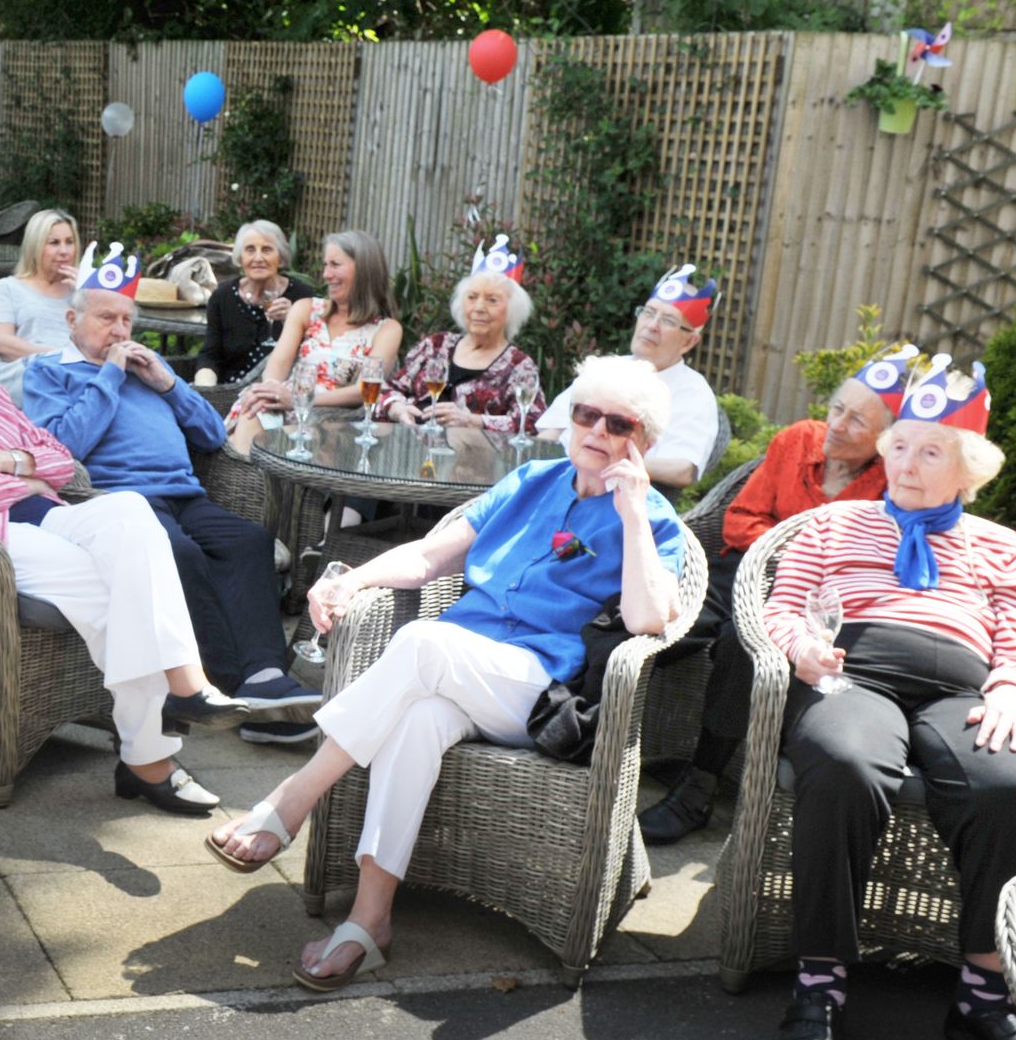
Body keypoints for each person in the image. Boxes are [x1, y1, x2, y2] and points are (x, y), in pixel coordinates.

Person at [205, 356, 685, 992]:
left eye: (617, 422)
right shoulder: (531, 482)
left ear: (642, 441)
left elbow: (651, 619)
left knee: (424, 643)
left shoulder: (652, 521)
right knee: (417, 718)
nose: (596, 429)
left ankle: (292, 800)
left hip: (538, 693)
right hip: (453, 669)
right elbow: (429, 556)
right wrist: (354, 577)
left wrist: (629, 512)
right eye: (584, 413)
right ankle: (369, 921)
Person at [0, 246, 250, 813]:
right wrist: (21, 475)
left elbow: (60, 460)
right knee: (118, 590)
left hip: (39, 513)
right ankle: (149, 758)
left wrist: (11, 463)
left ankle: (185, 683)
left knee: (130, 512)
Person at [763, 363, 1016, 1040]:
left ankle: (985, 998)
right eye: (899, 446)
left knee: (1011, 781)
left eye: (931, 452)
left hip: (964, 690)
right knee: (843, 758)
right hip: (853, 673)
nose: (905, 464)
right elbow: (782, 604)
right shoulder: (833, 523)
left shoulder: (1002, 546)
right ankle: (819, 987)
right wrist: (803, 648)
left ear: (969, 469)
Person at [23, 244, 323, 744]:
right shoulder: (50, 372)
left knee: (248, 540)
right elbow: (62, 446)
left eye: (126, 321)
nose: (120, 332)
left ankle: (266, 675)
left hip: (186, 494)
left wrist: (168, 385)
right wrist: (110, 376)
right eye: (106, 319)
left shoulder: (152, 370)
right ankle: (236, 693)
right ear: (73, 319)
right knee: (176, 552)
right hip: (117, 503)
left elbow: (212, 436)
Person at [638, 351, 903, 844]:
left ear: (886, 439)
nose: (837, 425)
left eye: (856, 420)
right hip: (736, 570)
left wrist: (792, 559)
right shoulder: (797, 440)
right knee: (649, 623)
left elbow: (865, 566)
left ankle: (699, 785)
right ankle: (599, 742)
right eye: (838, 408)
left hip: (812, 600)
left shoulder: (892, 484)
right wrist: (786, 552)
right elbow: (738, 518)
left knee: (744, 644)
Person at [537, 263, 721, 491]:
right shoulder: (605, 368)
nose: (652, 326)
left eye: (668, 321)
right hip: (558, 484)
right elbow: (550, 432)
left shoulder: (694, 393)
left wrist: (606, 462)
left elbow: (683, 470)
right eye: (649, 313)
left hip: (625, 500)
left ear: (689, 342)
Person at [223, 229, 405, 454]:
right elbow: (278, 363)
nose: (326, 274)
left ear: (364, 271)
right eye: (325, 265)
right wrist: (271, 389)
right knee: (254, 408)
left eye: (335, 265)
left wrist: (301, 400)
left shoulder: (386, 329)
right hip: (284, 404)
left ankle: (248, 482)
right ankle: (245, 484)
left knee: (262, 419)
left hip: (331, 418)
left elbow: (364, 389)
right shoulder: (307, 308)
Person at [380, 235, 544, 436]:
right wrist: (397, 408)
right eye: (472, 297)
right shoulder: (435, 345)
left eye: (492, 300)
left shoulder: (519, 366)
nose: (479, 307)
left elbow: (532, 422)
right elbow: (389, 389)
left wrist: (472, 421)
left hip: (474, 463)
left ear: (512, 310)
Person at [196, 219, 317, 387]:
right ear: (240, 257)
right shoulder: (222, 297)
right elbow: (210, 354)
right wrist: (206, 392)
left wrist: (293, 318)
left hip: (280, 392)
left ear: (281, 258)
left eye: (267, 249)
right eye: (250, 250)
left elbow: (316, 351)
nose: (258, 258)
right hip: (227, 392)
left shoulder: (302, 296)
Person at [0, 207, 80, 404]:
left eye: (69, 242)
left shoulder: (83, 291)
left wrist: (87, 294)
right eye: (54, 243)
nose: (64, 251)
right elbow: (2, 343)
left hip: (77, 373)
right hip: (25, 370)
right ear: (35, 247)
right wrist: (58, 356)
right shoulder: (9, 287)